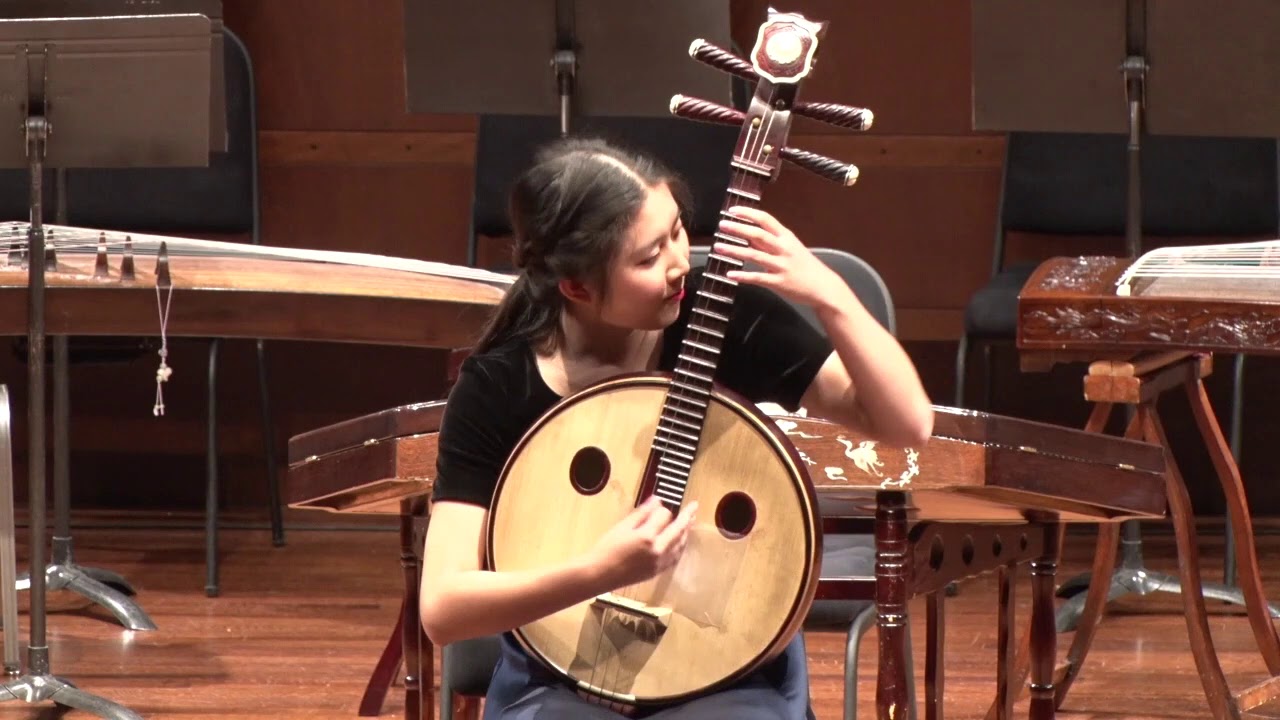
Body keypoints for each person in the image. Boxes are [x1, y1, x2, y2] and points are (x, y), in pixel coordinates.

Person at [419, 136, 934, 719]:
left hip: (728, 670)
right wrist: (599, 571)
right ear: (577, 287)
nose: (678, 264)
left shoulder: (720, 319)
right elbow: (443, 608)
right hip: (560, 675)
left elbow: (908, 423)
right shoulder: (498, 387)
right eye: (647, 258)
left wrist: (831, 296)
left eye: (678, 232)